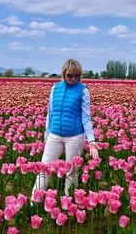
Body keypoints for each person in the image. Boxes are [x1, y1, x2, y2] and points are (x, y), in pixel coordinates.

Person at [32, 58, 99, 198]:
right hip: (54, 134)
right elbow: (50, 113)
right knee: (44, 169)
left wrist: (91, 141)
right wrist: (46, 135)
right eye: (70, 75)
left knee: (71, 172)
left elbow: (86, 117)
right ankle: (34, 201)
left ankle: (68, 203)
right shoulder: (55, 88)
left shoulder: (83, 91)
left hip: (75, 136)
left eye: (76, 76)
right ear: (64, 73)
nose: (73, 78)